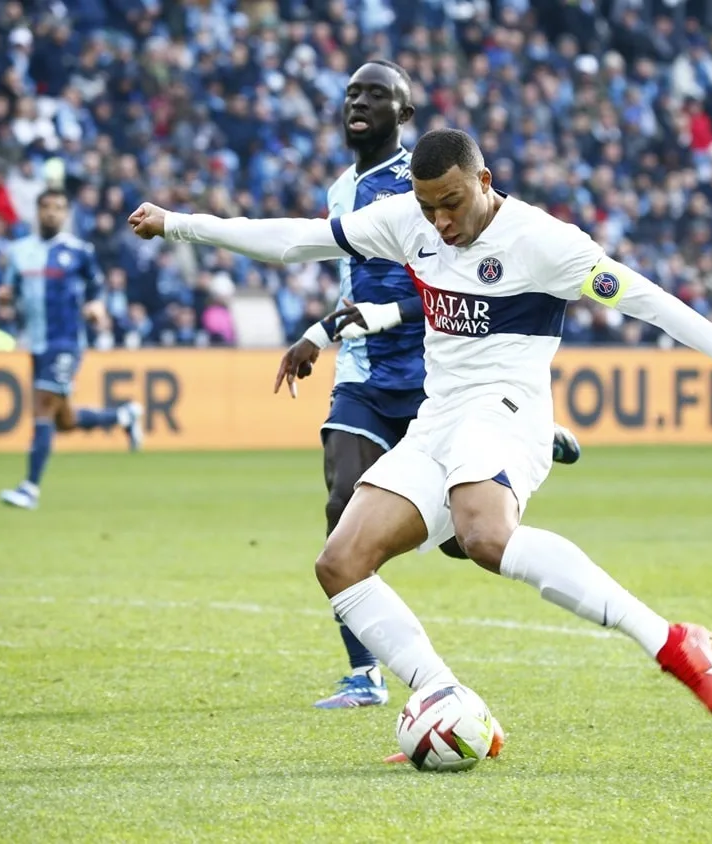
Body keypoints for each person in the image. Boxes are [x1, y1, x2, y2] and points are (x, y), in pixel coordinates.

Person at [127, 128, 712, 758]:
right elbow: (296, 242)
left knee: (484, 537)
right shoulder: (406, 220)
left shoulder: (544, 241)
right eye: (429, 208)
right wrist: (180, 223)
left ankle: (673, 642)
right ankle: (444, 693)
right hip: (438, 419)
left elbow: (648, 300)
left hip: (508, 412)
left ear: (484, 180)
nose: (441, 222)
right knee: (340, 563)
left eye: (452, 203)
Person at [272, 61, 582, 709]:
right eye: (353, 90)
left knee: (463, 546)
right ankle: (364, 673)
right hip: (364, 370)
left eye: (377, 94)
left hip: (439, 374)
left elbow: (456, 287)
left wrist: (378, 319)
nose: (360, 101)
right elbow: (354, 287)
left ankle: (524, 431)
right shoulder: (340, 191)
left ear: (404, 114)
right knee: (341, 507)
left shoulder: (431, 186)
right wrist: (322, 336)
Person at [0, 189, 144, 510]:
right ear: (37, 212)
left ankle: (30, 488)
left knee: (42, 406)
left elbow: (96, 289)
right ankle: (123, 415)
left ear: (66, 214)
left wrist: (96, 307)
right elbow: (9, 289)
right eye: (47, 207)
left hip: (65, 342)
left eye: (59, 208)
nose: (52, 213)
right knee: (64, 420)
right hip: (35, 342)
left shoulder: (78, 251)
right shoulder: (19, 252)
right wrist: (4, 298)